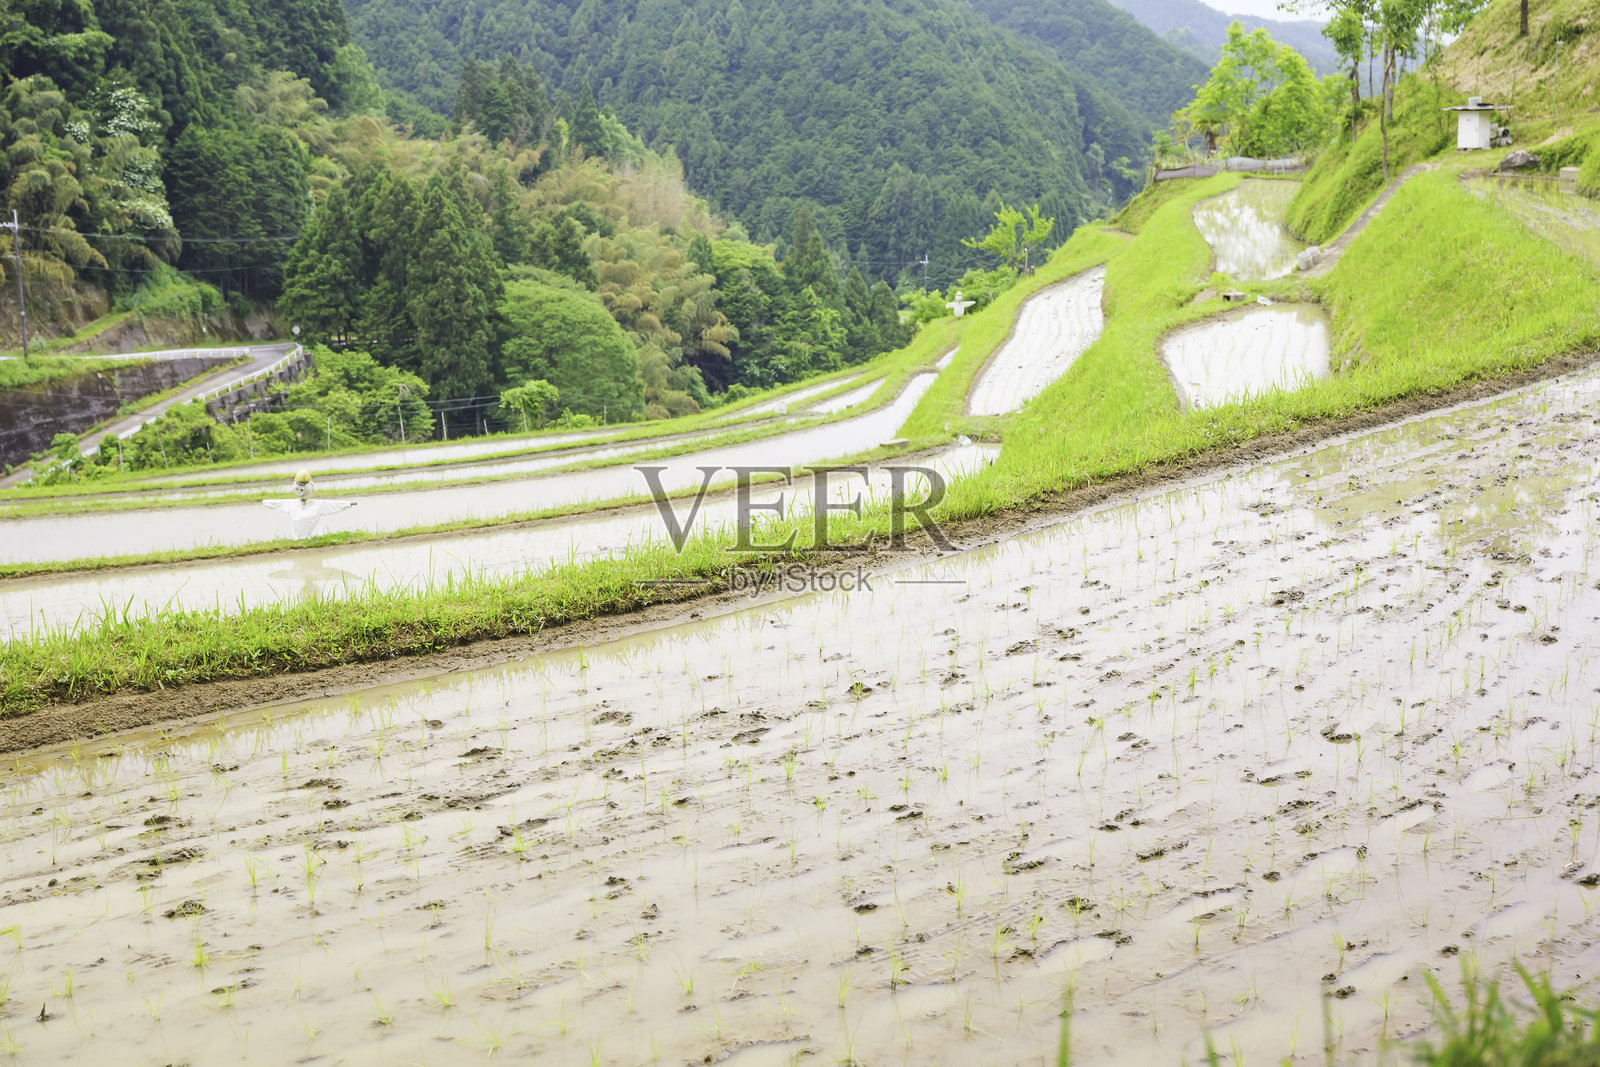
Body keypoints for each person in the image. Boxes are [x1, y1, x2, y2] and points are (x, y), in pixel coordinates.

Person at [263, 470, 357, 540]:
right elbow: (278, 503)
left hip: (313, 538)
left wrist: (348, 504)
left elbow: (332, 505)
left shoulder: (317, 505)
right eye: (299, 484)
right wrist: (266, 502)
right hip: (298, 539)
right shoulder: (292, 504)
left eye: (303, 484)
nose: (301, 487)